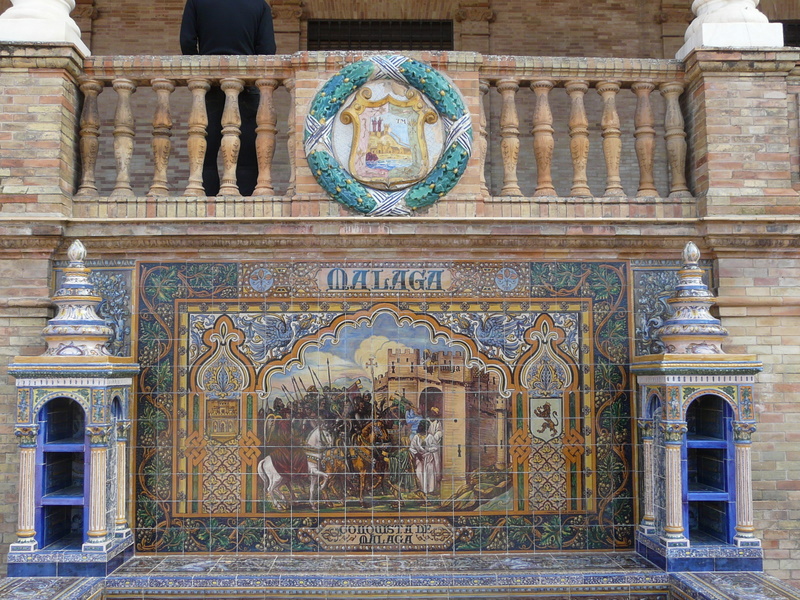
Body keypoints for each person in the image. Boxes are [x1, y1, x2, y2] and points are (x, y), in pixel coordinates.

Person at [180, 0, 277, 196]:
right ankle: (245, 208)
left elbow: (187, 41)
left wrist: (202, 67)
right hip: (247, 85)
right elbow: (267, 48)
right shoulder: (259, 5)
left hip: (209, 84)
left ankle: (206, 209)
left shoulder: (196, 2)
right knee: (247, 153)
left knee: (206, 153)